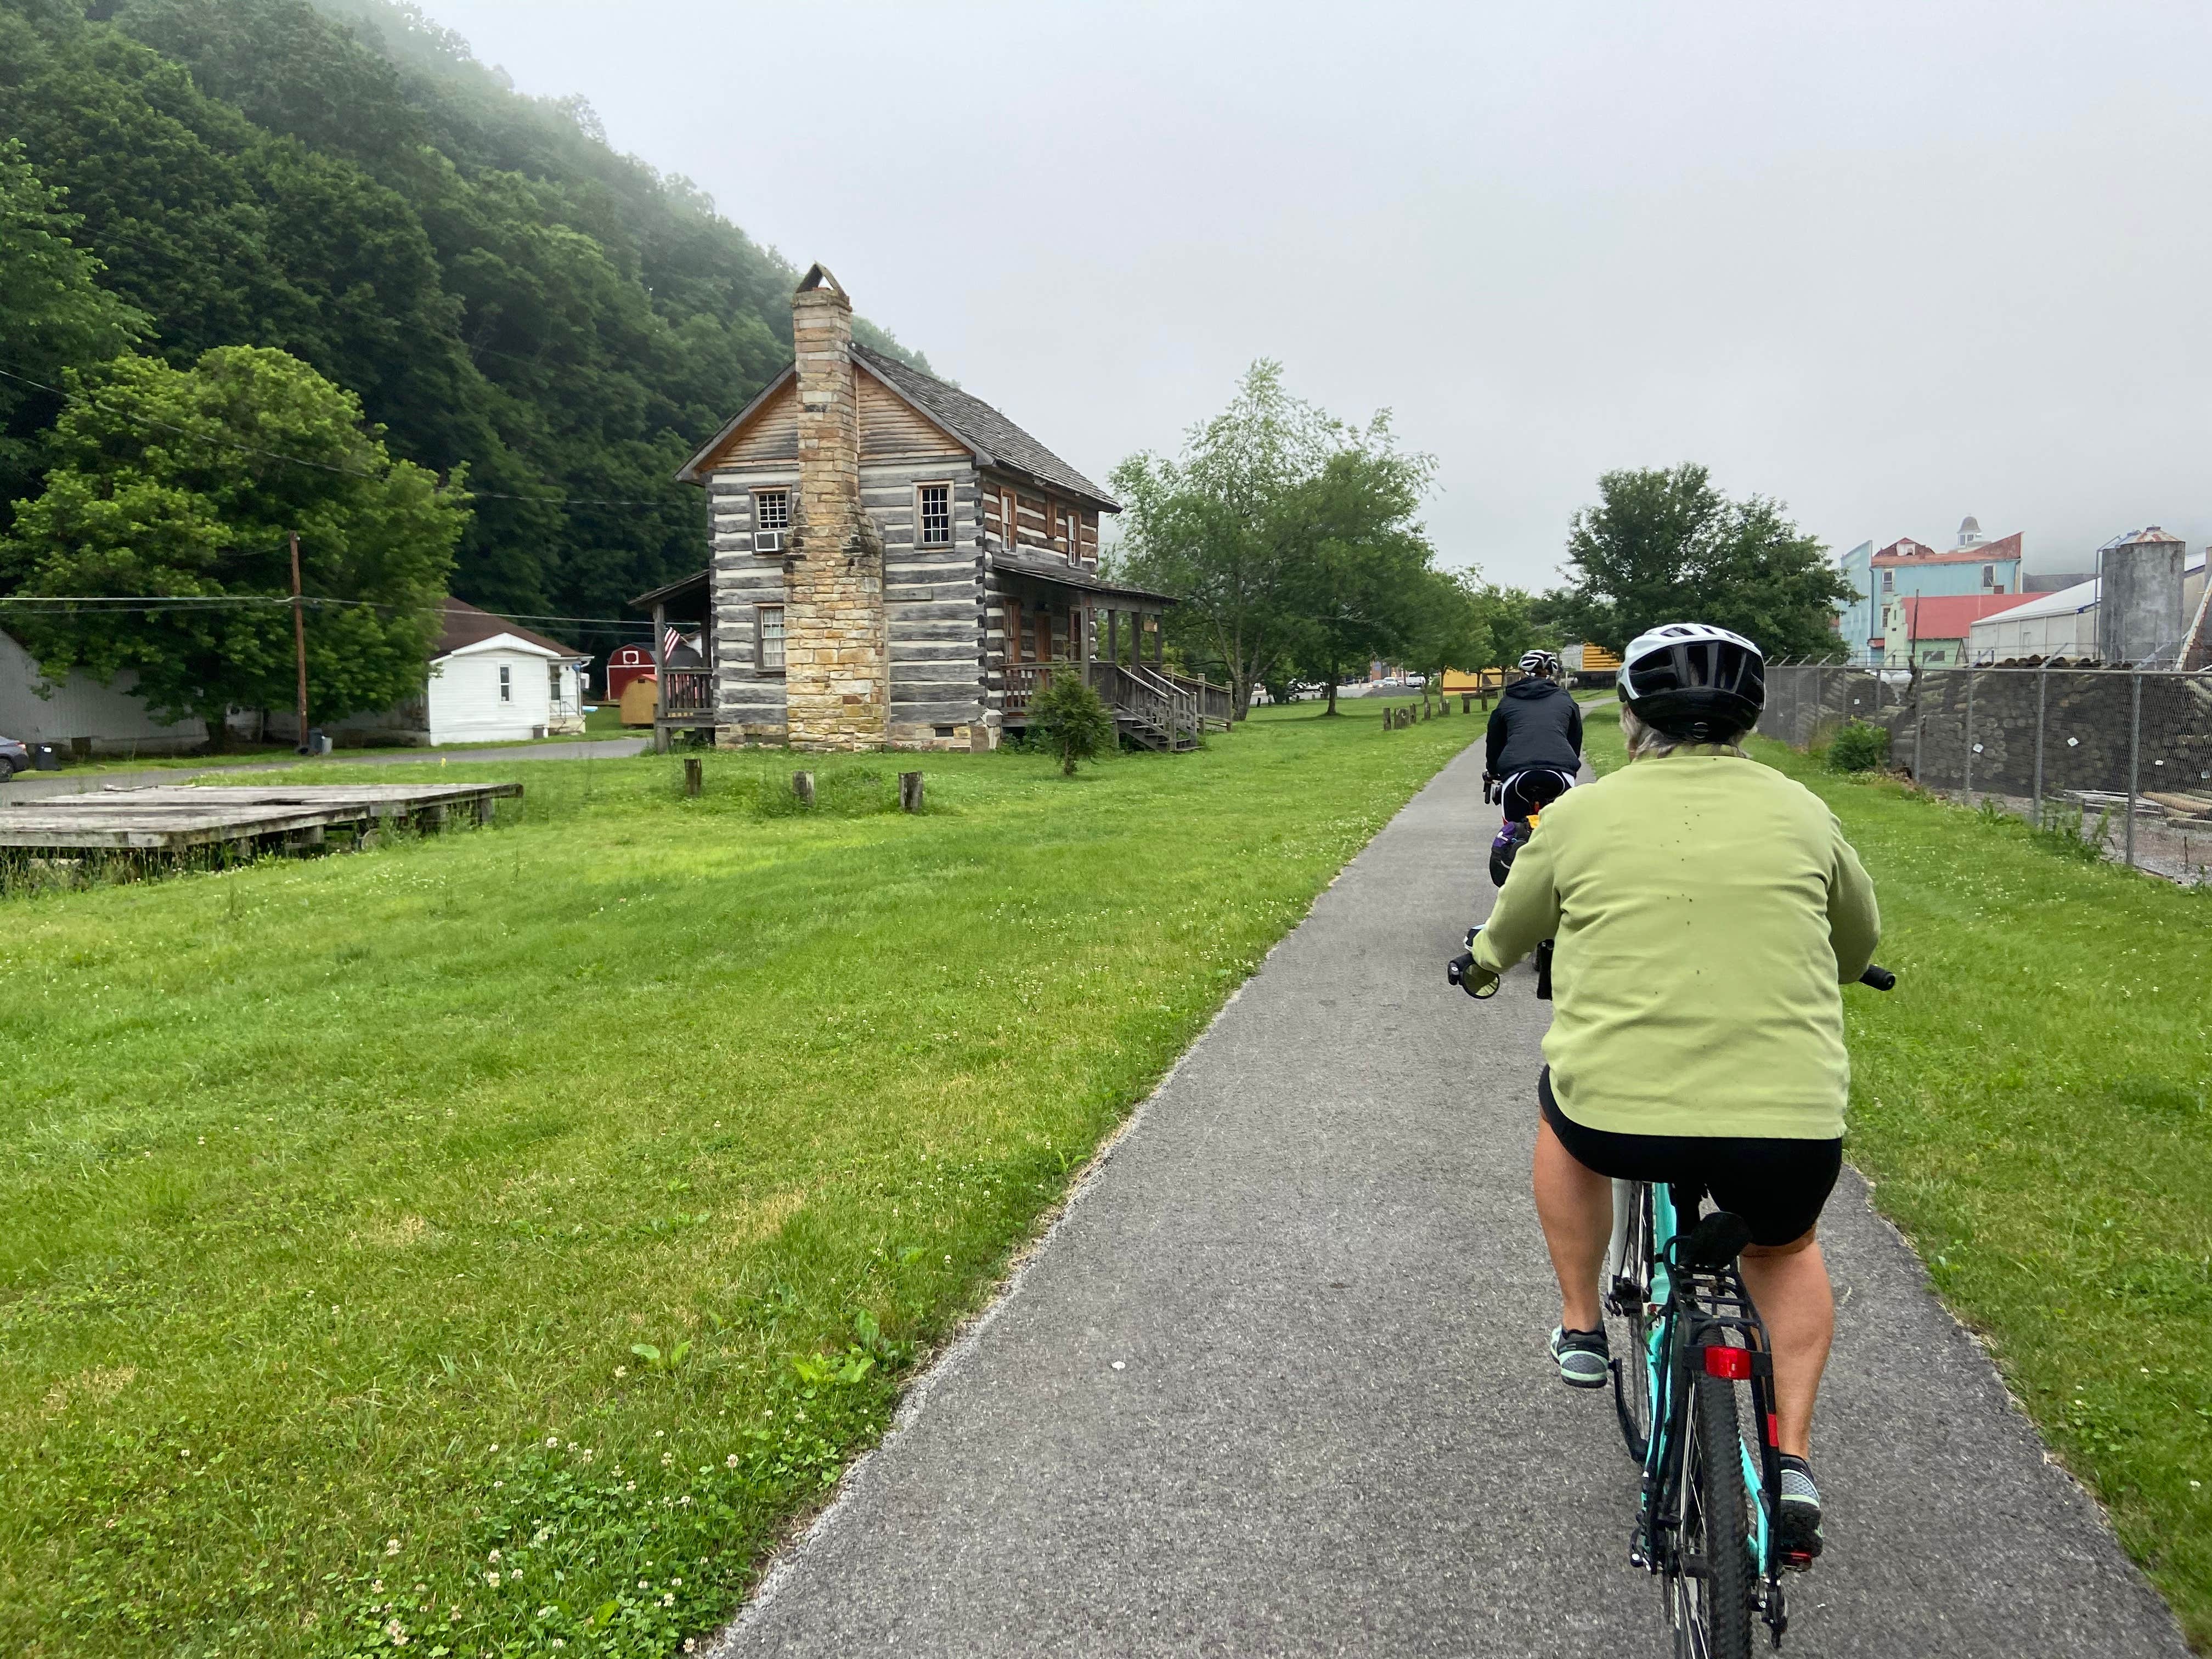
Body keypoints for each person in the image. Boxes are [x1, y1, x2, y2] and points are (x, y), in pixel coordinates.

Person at [1458, 622, 1879, 1565]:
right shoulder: (1804, 812)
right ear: (1749, 717)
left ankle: (1578, 1324)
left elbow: (1508, 928)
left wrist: (1481, 967)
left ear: (1632, 715)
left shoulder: (1579, 816)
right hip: (1786, 1127)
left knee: (1560, 1112)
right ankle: (1792, 1458)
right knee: (1785, 1243)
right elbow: (1854, 945)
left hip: (1618, 1120)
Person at [1484, 650, 1583, 826]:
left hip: (1517, 772)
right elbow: (1575, 739)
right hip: (1560, 772)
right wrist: (1568, 762)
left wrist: (1492, 771)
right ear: (1551, 675)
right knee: (1566, 830)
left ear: (1522, 672)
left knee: (1511, 829)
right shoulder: (1566, 700)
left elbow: (1494, 741)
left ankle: (1510, 848)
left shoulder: (1507, 701)